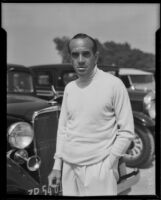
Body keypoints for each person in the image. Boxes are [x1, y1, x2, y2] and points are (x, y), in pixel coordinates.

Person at [48, 33, 135, 196]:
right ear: (70, 58)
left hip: (99, 168)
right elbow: (63, 130)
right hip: (69, 168)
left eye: (86, 54)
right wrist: (57, 166)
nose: (80, 60)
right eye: (75, 55)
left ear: (96, 56)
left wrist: (110, 163)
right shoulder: (70, 88)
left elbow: (127, 131)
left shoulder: (113, 84)